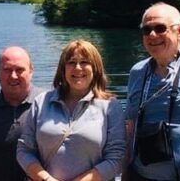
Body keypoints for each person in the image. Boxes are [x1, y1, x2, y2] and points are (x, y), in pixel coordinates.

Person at [124, 2, 180, 181]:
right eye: (146, 29)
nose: (152, 35)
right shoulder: (138, 72)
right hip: (142, 175)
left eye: (160, 28)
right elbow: (130, 126)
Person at [17, 39, 125, 181]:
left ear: (95, 68)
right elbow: (24, 151)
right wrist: (45, 179)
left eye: (85, 62)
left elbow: (117, 158)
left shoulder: (111, 106)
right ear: (63, 69)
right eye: (72, 62)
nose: (78, 68)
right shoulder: (41, 102)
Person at [0, 46, 45, 181]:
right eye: (7, 70)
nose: (13, 76)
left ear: (31, 71)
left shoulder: (48, 104)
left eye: (20, 70)